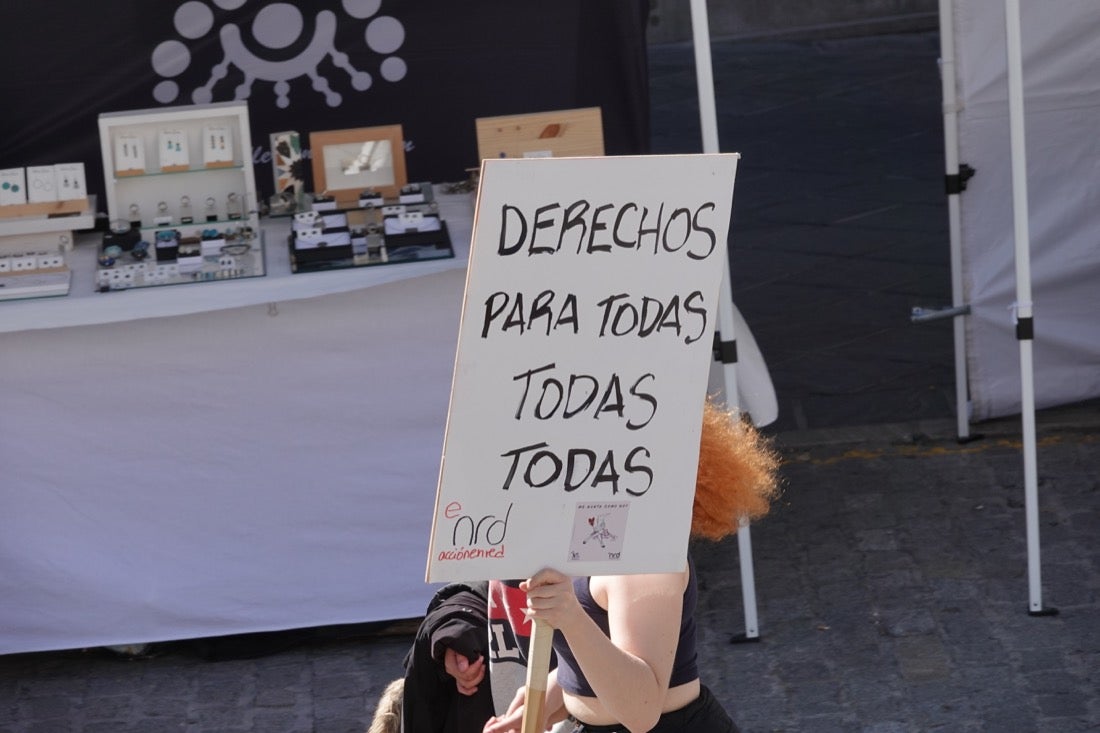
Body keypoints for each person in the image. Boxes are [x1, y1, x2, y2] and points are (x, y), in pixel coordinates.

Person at [483, 400, 780, 733]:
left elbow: (641, 711)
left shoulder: (645, 553)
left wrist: (570, 617)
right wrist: (555, 691)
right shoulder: (585, 526)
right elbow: (605, 648)